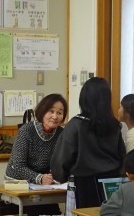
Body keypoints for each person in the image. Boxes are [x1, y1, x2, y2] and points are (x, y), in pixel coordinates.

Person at [51, 77, 125, 208]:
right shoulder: (114, 126)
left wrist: (60, 176)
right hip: (112, 184)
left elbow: (62, 159)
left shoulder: (75, 125)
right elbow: (122, 156)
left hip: (83, 185)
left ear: (83, 99)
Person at [6, 93, 67, 185]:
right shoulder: (26, 130)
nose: (55, 117)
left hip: (45, 182)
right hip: (17, 181)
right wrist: (39, 178)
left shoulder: (61, 133)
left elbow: (61, 162)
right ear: (43, 111)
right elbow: (18, 166)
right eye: (51, 111)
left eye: (59, 113)